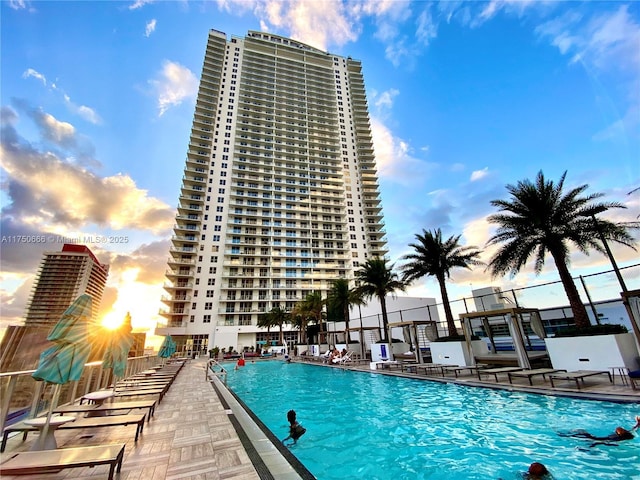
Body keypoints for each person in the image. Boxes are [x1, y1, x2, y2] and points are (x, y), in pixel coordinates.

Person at [558, 424, 635, 447]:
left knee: (583, 435)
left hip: (599, 439)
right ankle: (566, 435)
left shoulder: (621, 437)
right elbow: (632, 429)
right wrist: (637, 423)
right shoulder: (625, 434)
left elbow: (603, 442)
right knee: (583, 434)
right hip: (600, 439)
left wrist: (592, 445)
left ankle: (565, 435)